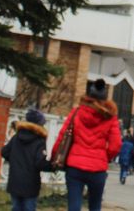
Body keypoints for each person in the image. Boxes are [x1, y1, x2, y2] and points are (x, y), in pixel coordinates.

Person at [51, 79, 121, 211]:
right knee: (95, 206)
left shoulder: (76, 112)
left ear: (88, 95)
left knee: (74, 206)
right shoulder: (110, 117)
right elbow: (115, 145)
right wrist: (104, 157)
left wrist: (54, 156)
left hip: (75, 166)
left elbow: (62, 137)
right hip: (98, 169)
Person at [1, 109, 52, 211]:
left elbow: (4, 152)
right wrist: (53, 166)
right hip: (30, 184)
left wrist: (15, 160)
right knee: (29, 208)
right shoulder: (39, 141)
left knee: (16, 207)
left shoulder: (16, 137)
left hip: (14, 180)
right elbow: (39, 163)